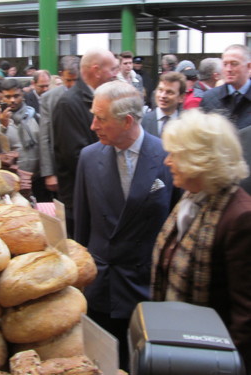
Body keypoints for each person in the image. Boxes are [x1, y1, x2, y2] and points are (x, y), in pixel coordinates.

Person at [74, 80, 179, 371]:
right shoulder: (88, 157)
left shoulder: (168, 157)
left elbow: (176, 227)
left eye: (101, 118)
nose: (93, 125)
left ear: (127, 121)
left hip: (144, 288)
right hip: (101, 289)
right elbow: (81, 228)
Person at [151, 109, 251, 373]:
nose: (168, 161)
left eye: (176, 155)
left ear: (201, 161)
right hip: (179, 347)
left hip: (211, 361)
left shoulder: (240, 218)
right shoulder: (192, 199)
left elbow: (246, 317)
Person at [52, 48, 118, 237]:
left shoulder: (101, 97)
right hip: (80, 199)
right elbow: (75, 155)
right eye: (113, 69)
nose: (116, 74)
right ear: (96, 70)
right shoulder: (69, 104)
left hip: (98, 196)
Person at [0, 79, 49, 201]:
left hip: (37, 179)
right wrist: (3, 127)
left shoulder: (34, 116)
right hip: (10, 183)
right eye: (8, 97)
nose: (12, 100)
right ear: (2, 97)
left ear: (23, 96)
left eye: (16, 96)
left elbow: (45, 146)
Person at [39, 55, 80, 194]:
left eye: (76, 80)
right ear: (61, 75)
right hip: (60, 166)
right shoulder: (48, 98)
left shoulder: (90, 95)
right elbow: (44, 136)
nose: (72, 85)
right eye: (69, 80)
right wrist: (49, 173)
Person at [200, 44, 251, 129]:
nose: (228, 69)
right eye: (225, 64)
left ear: (248, 66)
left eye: (234, 64)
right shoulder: (209, 98)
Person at [142, 72, 186, 137]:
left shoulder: (186, 123)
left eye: (169, 92)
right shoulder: (144, 120)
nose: (162, 96)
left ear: (181, 98)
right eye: (160, 90)